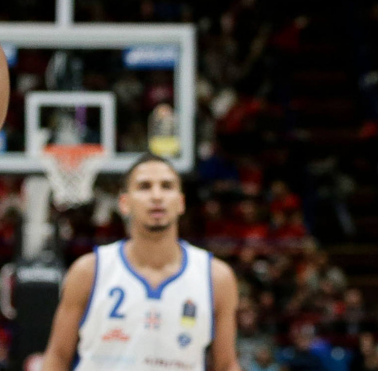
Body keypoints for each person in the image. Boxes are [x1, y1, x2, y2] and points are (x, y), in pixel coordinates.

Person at [41, 154, 242, 371]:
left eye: (167, 186)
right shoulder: (89, 271)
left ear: (181, 202)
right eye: (144, 187)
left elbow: (226, 365)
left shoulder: (215, 277)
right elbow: (58, 356)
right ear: (124, 203)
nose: (157, 196)